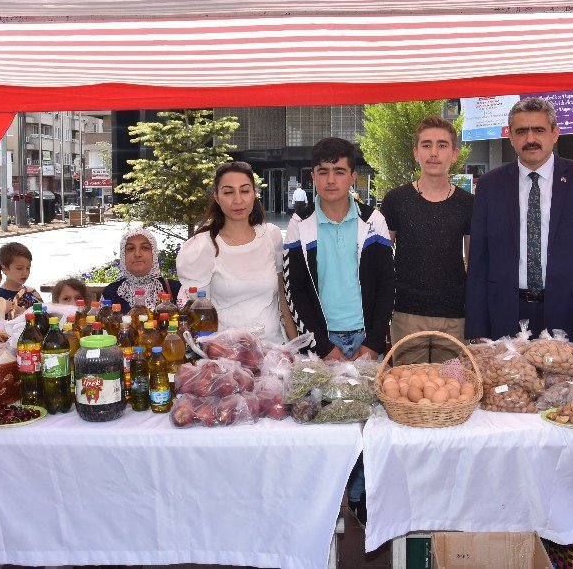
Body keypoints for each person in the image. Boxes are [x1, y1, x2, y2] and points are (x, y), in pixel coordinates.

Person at [284, 137, 394, 528]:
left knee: (369, 426)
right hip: (322, 346)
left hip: (366, 341)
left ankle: (363, 500)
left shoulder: (373, 221)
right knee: (323, 424)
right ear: (313, 176)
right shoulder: (299, 224)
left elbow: (386, 288)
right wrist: (323, 345)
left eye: (340, 171)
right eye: (323, 171)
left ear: (353, 176)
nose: (331, 180)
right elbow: (295, 291)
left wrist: (373, 343)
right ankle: (327, 506)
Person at [466, 97, 573, 341]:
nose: (530, 139)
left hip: (571, 315)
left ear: (555, 133)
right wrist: (477, 327)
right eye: (521, 131)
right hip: (504, 315)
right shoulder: (489, 186)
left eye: (539, 130)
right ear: (511, 136)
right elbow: (479, 260)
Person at [380, 115, 474, 363]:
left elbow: (473, 263)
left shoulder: (468, 203)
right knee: (408, 392)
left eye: (442, 145)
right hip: (406, 314)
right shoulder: (396, 200)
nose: (434, 152)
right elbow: (381, 259)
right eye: (426, 145)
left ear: (454, 154)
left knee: (453, 389)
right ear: (416, 152)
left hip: (455, 317)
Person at [175, 161, 294, 344]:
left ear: (254, 193)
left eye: (245, 191)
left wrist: (296, 347)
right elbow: (196, 315)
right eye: (228, 192)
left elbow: (283, 300)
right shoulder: (203, 246)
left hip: (274, 352)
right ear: (216, 197)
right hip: (227, 358)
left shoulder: (271, 235)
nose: (238, 200)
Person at [101, 227, 182, 310]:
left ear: (153, 254)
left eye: (145, 248)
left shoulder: (176, 289)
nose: (137, 254)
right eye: (130, 249)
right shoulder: (110, 293)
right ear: (123, 255)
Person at [0, 242, 41, 309]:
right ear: (4, 269)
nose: (25, 272)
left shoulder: (32, 292)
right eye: (19, 268)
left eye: (28, 268)